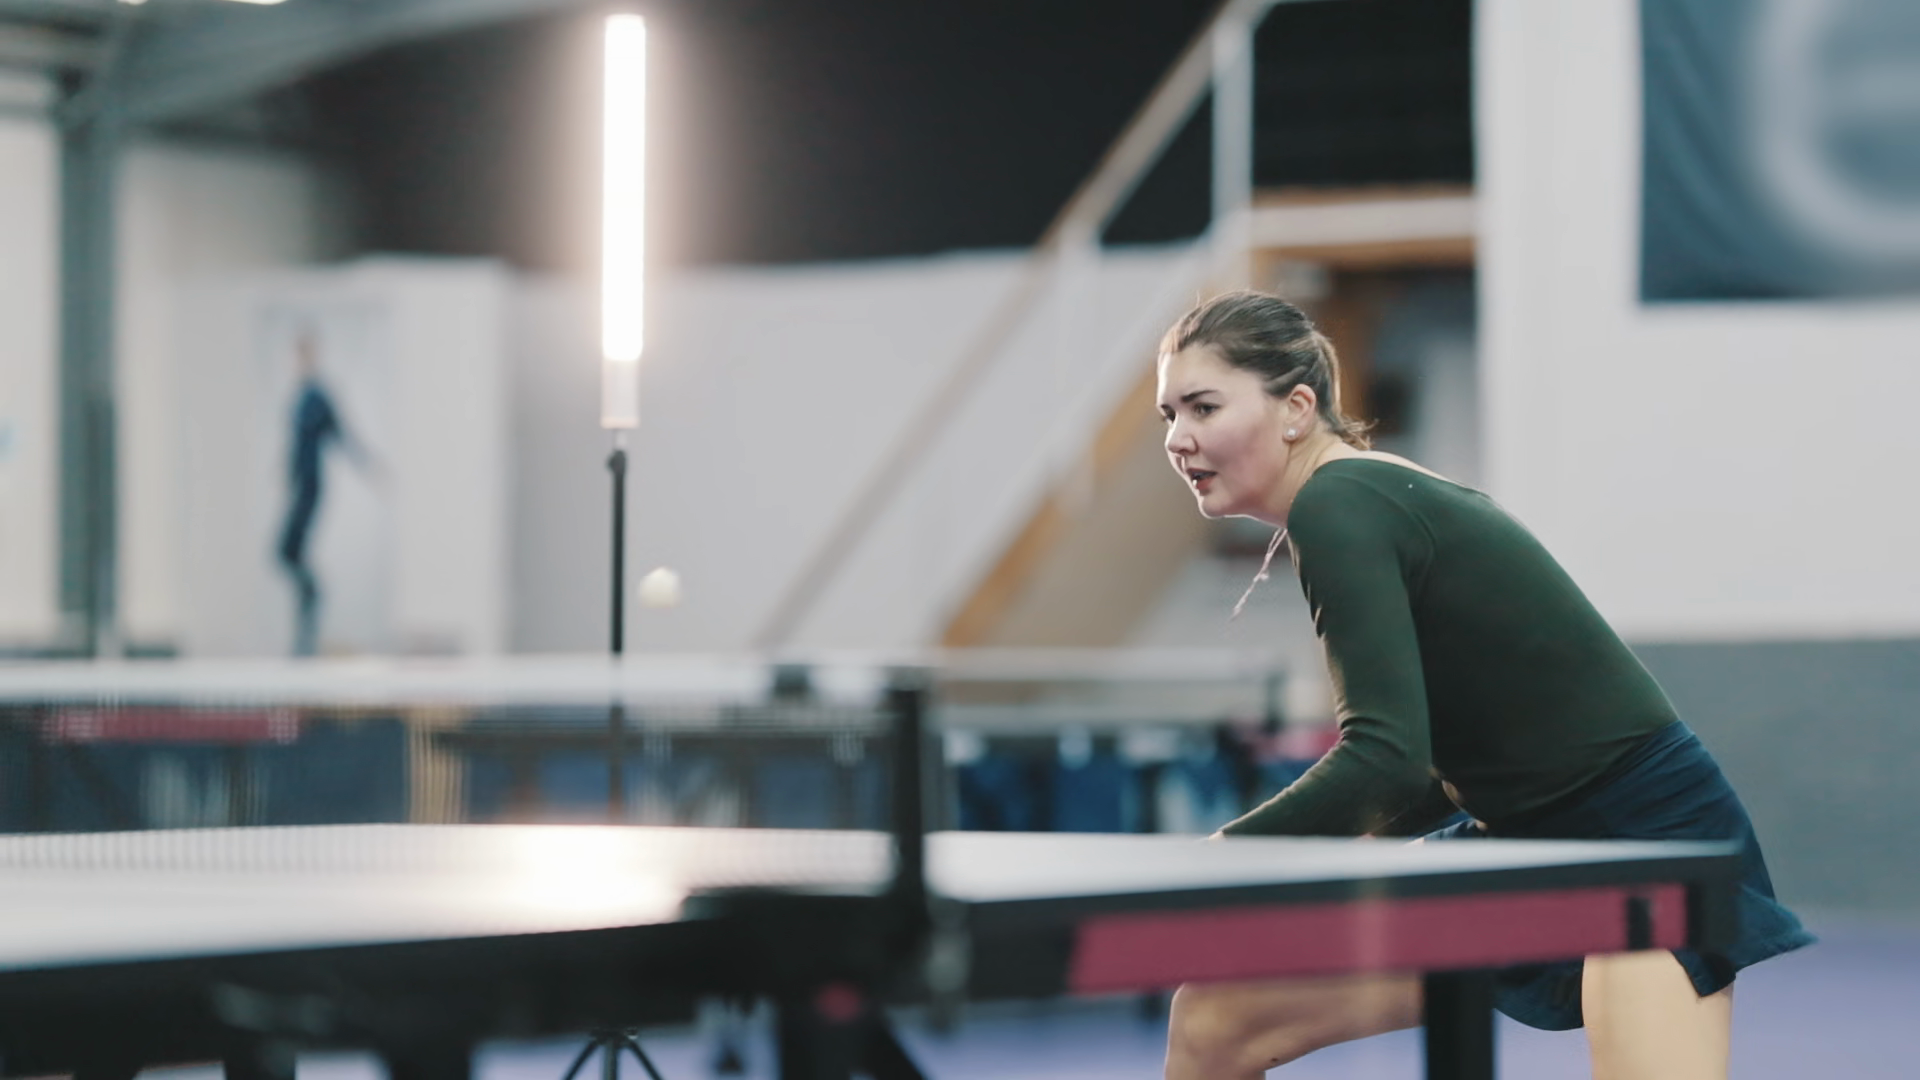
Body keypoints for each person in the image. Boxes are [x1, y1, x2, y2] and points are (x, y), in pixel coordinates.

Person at [1153, 291, 1812, 1080]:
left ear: (1297, 408)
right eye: (1168, 414)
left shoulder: (1339, 503)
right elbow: (1429, 767)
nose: (1179, 438)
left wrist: (1218, 861)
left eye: (1203, 407)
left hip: (1645, 847)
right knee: (1216, 1019)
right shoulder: (1352, 500)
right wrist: (1340, 850)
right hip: (1515, 843)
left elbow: (1384, 759)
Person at [276, 329, 376, 657]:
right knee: (286, 553)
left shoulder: (318, 396)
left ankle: (312, 604)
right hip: (300, 484)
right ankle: (308, 608)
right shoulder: (300, 395)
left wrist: (369, 466)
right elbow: (295, 445)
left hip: (312, 484)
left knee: (287, 551)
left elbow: (342, 435)